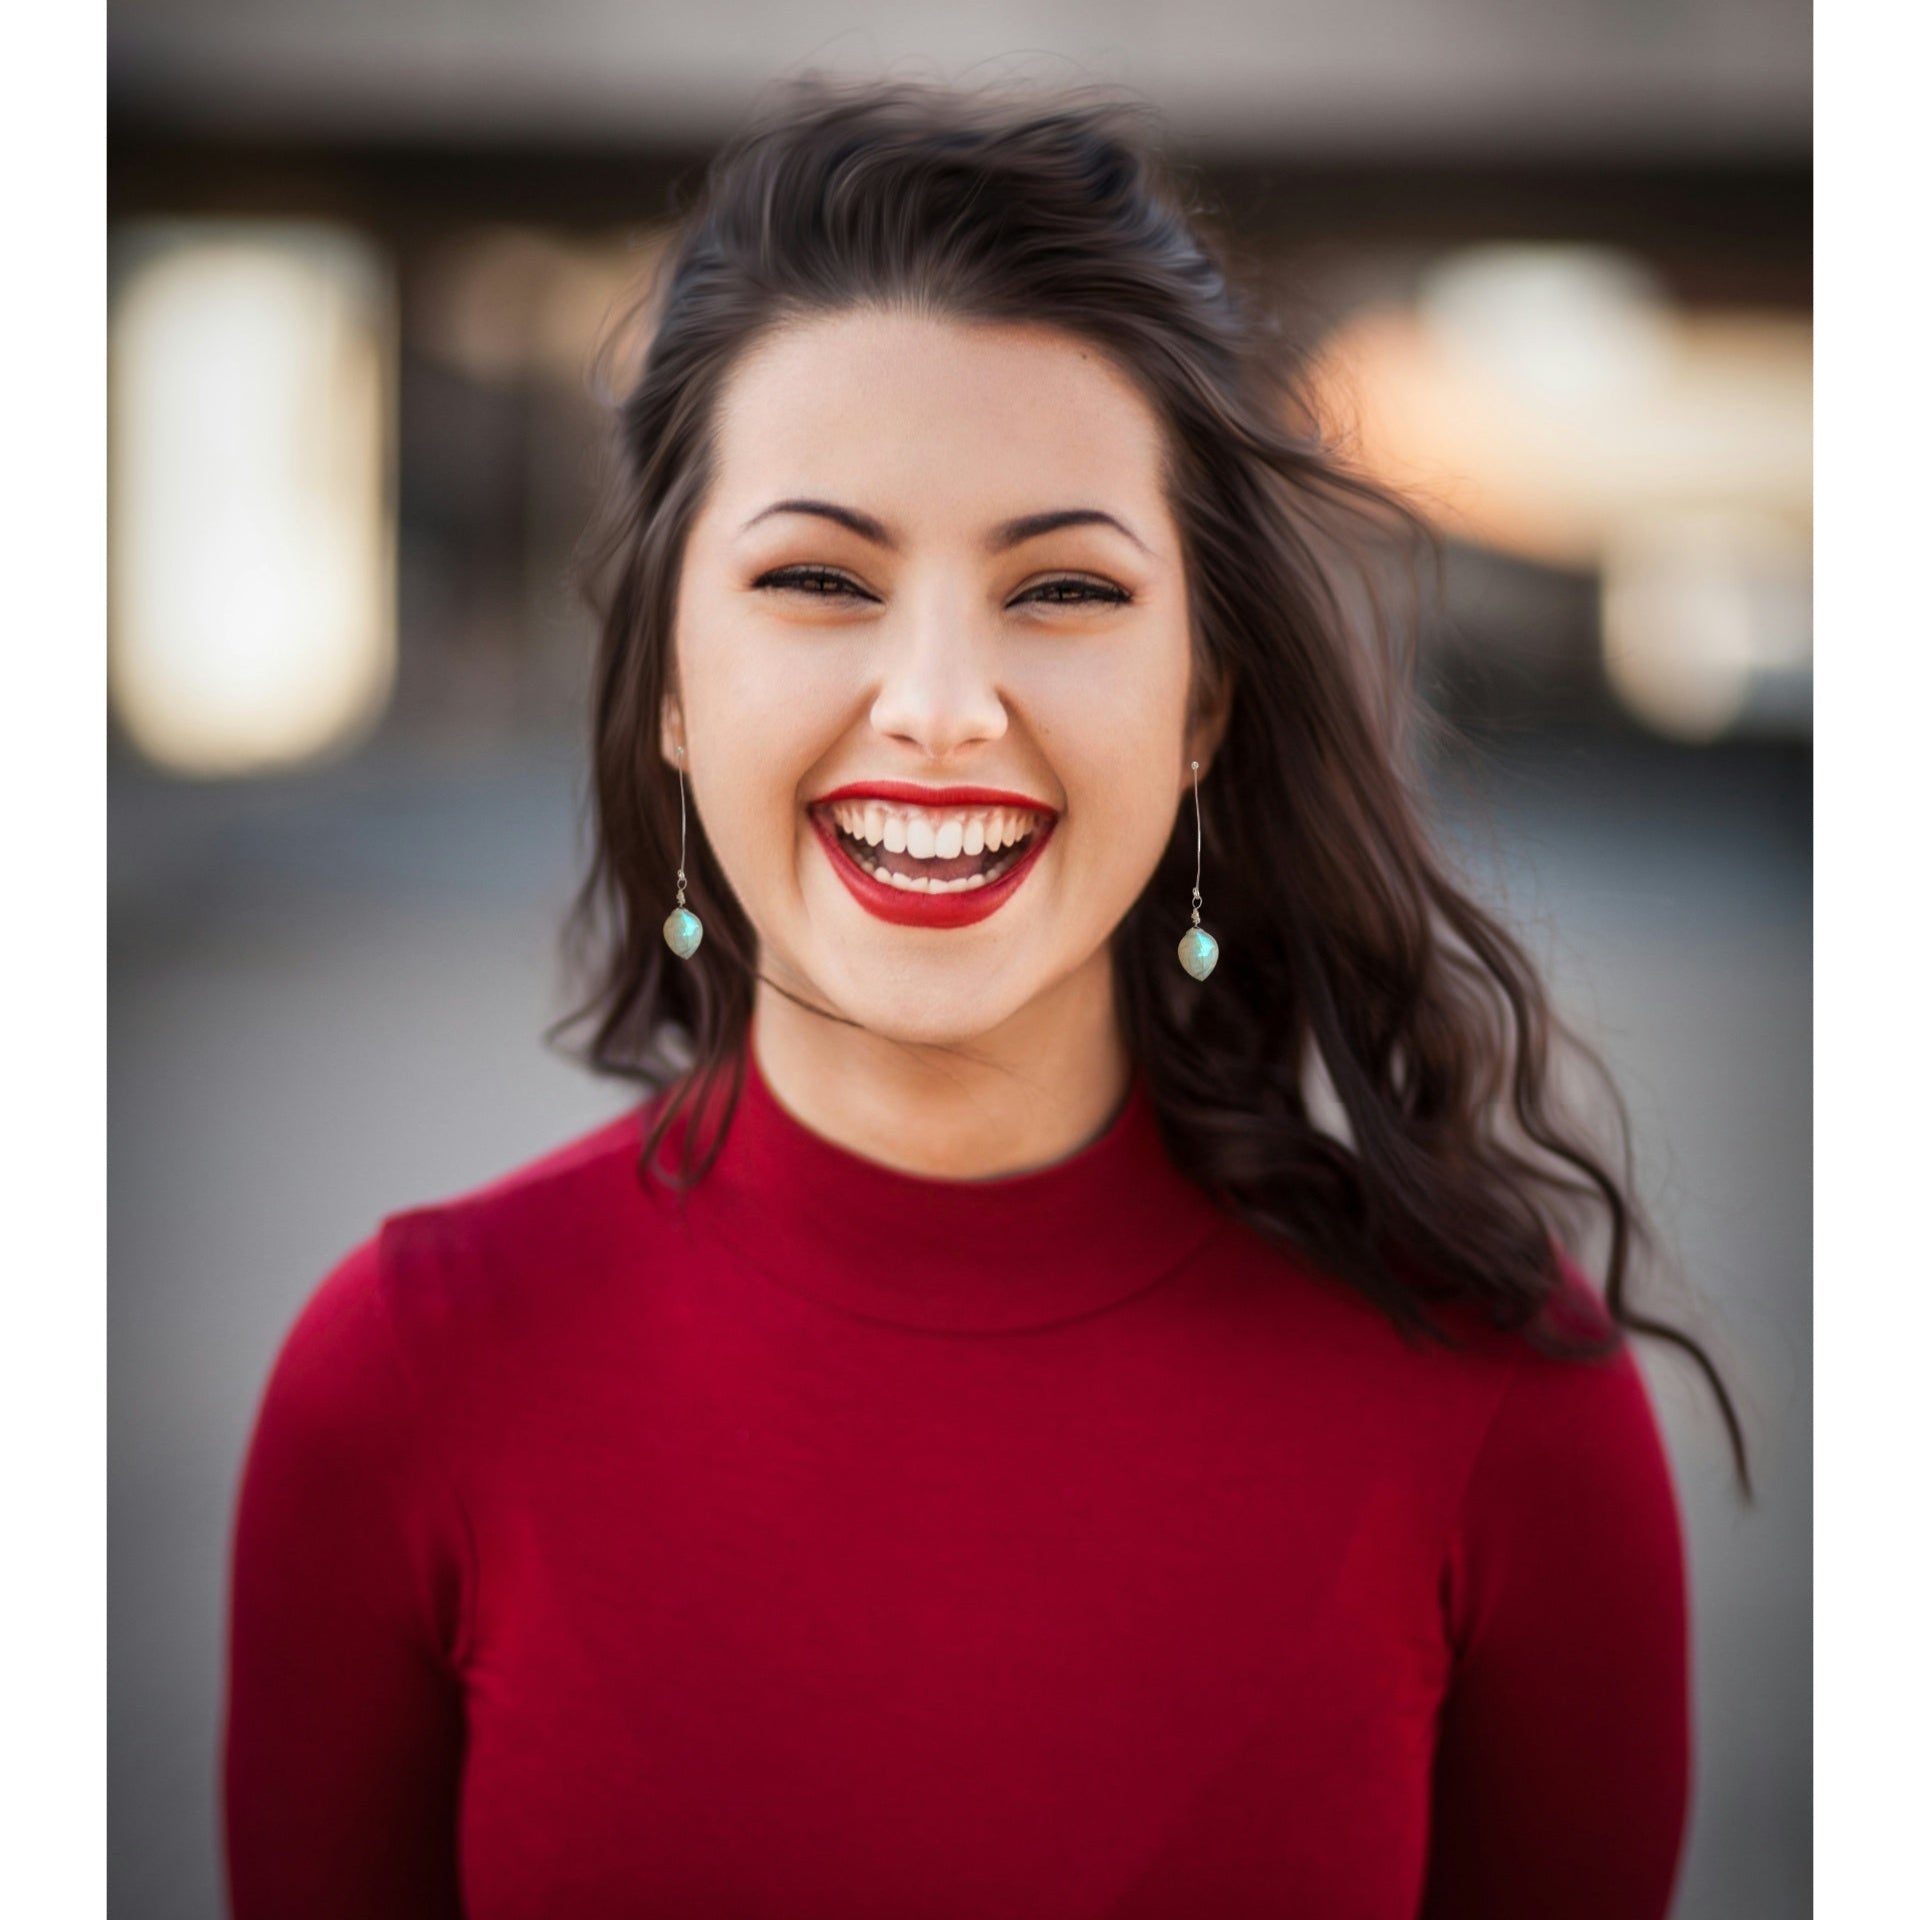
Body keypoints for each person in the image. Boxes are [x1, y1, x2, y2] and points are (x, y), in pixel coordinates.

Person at [220, 76, 1751, 1920]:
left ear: (1202, 706)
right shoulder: (403, 1382)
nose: (941, 707)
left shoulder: (1506, 1403)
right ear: (671, 687)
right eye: (818, 577)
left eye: (1064, 590)